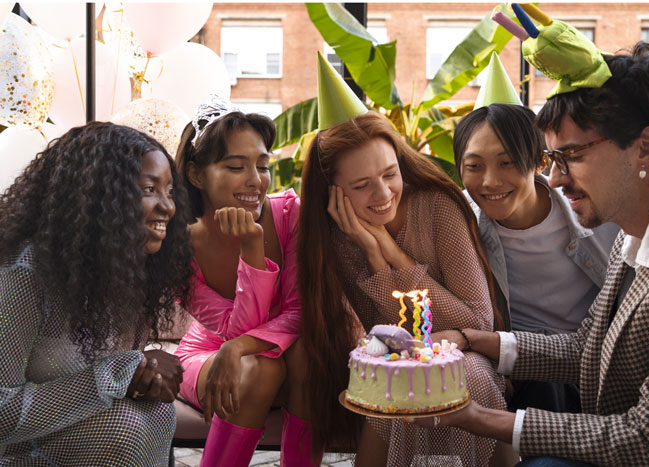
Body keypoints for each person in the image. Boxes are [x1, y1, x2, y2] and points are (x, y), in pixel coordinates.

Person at [414, 42, 649, 466]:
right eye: (553, 158)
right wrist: (475, 340)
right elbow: (590, 348)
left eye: (573, 155)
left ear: (645, 147)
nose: (555, 178)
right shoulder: (633, 234)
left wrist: (477, 417)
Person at [298, 54, 512, 466]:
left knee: (458, 378)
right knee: (400, 384)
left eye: (390, 174)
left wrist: (390, 252)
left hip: (472, 359)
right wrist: (373, 258)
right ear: (333, 191)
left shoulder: (437, 207)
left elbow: (478, 322)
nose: (382, 195)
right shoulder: (336, 241)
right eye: (362, 185)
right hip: (401, 370)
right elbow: (397, 340)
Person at [0, 122, 193, 466]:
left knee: (157, 414)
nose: (169, 207)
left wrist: (142, 376)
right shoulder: (24, 274)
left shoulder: (122, 270)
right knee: (124, 427)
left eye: (169, 190)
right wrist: (119, 373)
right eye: (150, 188)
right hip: (14, 453)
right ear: (102, 196)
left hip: (67, 442)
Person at [173, 95, 310, 467]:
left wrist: (236, 348)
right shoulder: (179, 248)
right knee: (259, 368)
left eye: (263, 166)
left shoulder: (291, 216)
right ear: (196, 174)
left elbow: (302, 313)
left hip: (282, 359)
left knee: (307, 357)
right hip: (210, 357)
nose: (255, 181)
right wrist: (252, 249)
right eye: (236, 166)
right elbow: (238, 329)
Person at [453, 102, 618, 413]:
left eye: (507, 163)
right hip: (515, 362)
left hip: (588, 360)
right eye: (474, 166)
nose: (489, 181)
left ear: (540, 162)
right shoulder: (460, 220)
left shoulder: (595, 211)